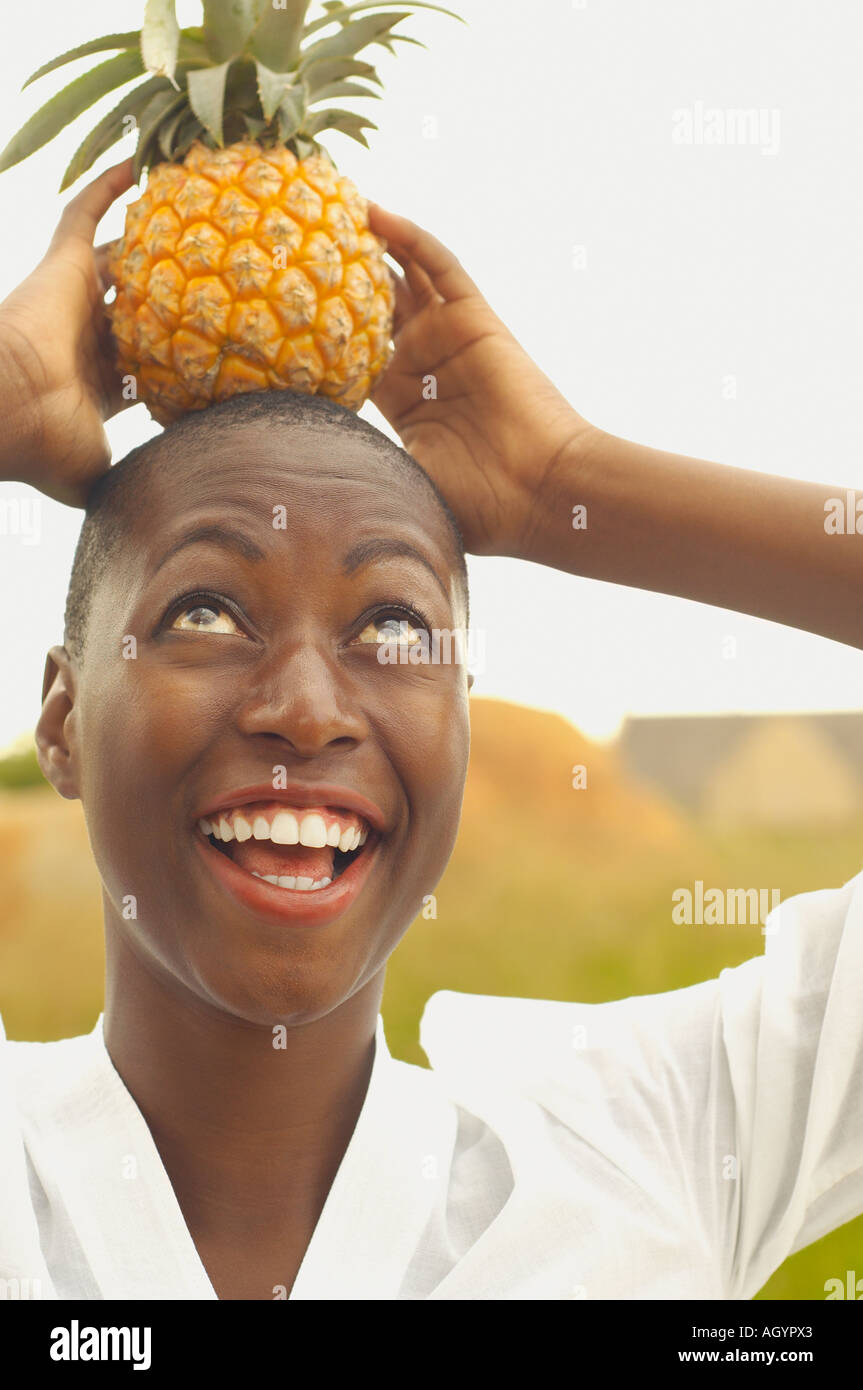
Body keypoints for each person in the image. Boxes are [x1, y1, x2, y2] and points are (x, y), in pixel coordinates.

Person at [1, 159, 862, 1302]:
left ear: (461, 714)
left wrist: (573, 480)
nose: (305, 709)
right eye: (204, 612)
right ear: (61, 718)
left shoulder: (656, 1144)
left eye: (395, 629)